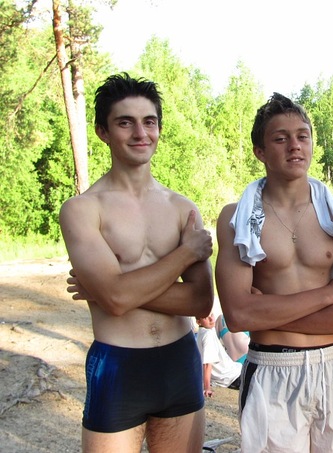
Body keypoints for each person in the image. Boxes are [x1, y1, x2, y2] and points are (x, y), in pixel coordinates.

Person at [215, 93, 333, 453]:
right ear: (260, 151)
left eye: (302, 136)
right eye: (281, 138)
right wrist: (329, 294)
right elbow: (239, 315)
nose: (295, 145)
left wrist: (268, 313)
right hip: (271, 369)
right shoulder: (237, 219)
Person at [59, 73, 214, 452]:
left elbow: (200, 302)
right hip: (118, 366)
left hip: (180, 360)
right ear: (103, 132)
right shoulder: (82, 209)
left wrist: (116, 287)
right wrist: (186, 253)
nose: (140, 133)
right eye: (125, 122)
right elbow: (115, 300)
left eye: (149, 121)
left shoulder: (182, 208)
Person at [196, 313, 243, 398]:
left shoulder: (203, 332)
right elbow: (207, 364)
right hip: (232, 377)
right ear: (198, 322)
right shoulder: (208, 335)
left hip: (233, 372)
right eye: (206, 318)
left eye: (211, 315)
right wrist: (207, 388)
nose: (211, 319)